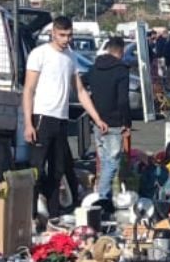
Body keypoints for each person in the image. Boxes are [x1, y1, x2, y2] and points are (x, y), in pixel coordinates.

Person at [23, 16, 108, 219]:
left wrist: (96, 118)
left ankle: (53, 213)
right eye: (62, 35)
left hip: (61, 119)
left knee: (57, 168)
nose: (66, 39)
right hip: (42, 116)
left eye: (69, 35)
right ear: (53, 33)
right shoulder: (39, 54)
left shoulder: (70, 56)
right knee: (36, 168)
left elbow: (79, 90)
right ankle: (30, 214)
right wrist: (28, 123)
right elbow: (29, 89)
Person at [86, 36, 132, 200]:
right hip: (113, 121)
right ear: (121, 51)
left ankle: (103, 195)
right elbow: (123, 100)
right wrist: (127, 122)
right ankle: (101, 197)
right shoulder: (121, 70)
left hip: (97, 120)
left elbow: (85, 86)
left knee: (104, 160)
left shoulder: (94, 68)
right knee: (112, 162)